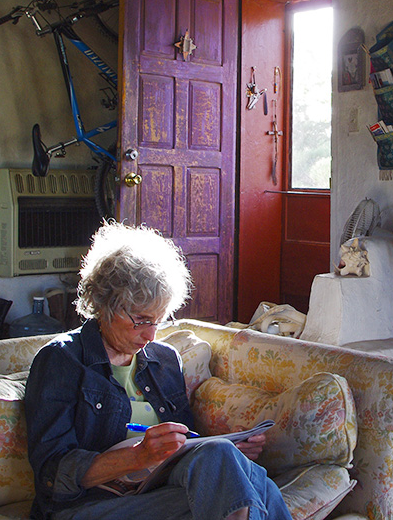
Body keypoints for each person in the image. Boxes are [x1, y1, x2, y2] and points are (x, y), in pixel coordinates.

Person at [25, 221, 292, 520]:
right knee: (256, 486)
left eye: (159, 321)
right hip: (87, 506)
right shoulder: (61, 360)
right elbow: (52, 473)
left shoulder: (164, 360)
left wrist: (232, 452)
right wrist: (136, 457)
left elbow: (185, 446)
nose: (151, 335)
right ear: (105, 304)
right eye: (140, 320)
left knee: (233, 466)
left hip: (155, 495)